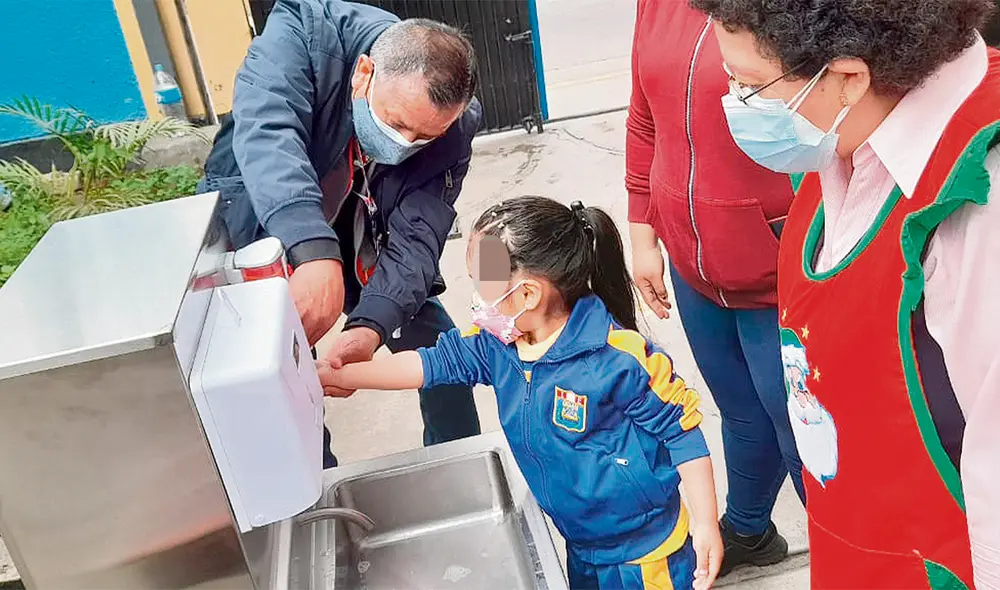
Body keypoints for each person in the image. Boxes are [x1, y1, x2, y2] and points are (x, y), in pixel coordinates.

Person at [691, 0, 1000, 587]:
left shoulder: (979, 206)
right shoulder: (841, 137)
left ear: (849, 78)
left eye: (750, 85)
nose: (733, 102)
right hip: (855, 547)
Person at [318, 196, 725, 590]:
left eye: (483, 286)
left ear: (528, 293)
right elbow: (427, 365)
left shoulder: (619, 358)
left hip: (647, 552)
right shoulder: (497, 343)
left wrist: (706, 524)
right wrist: (348, 374)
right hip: (581, 542)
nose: (477, 301)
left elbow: (682, 432)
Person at [197, 0, 483, 468]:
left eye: (424, 137)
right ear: (364, 74)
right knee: (280, 378)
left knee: (442, 355)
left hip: (362, 235)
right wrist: (310, 250)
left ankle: (459, 466)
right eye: (395, 123)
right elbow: (270, 136)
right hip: (266, 223)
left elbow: (419, 235)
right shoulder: (304, 35)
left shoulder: (455, 126)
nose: (404, 144)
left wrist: (371, 325)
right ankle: (318, 490)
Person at [625, 0, 804, 575]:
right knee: (739, 410)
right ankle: (749, 529)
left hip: (779, 264)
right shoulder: (658, 6)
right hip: (693, 258)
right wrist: (642, 230)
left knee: (801, 427)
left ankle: (847, 556)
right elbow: (643, 114)